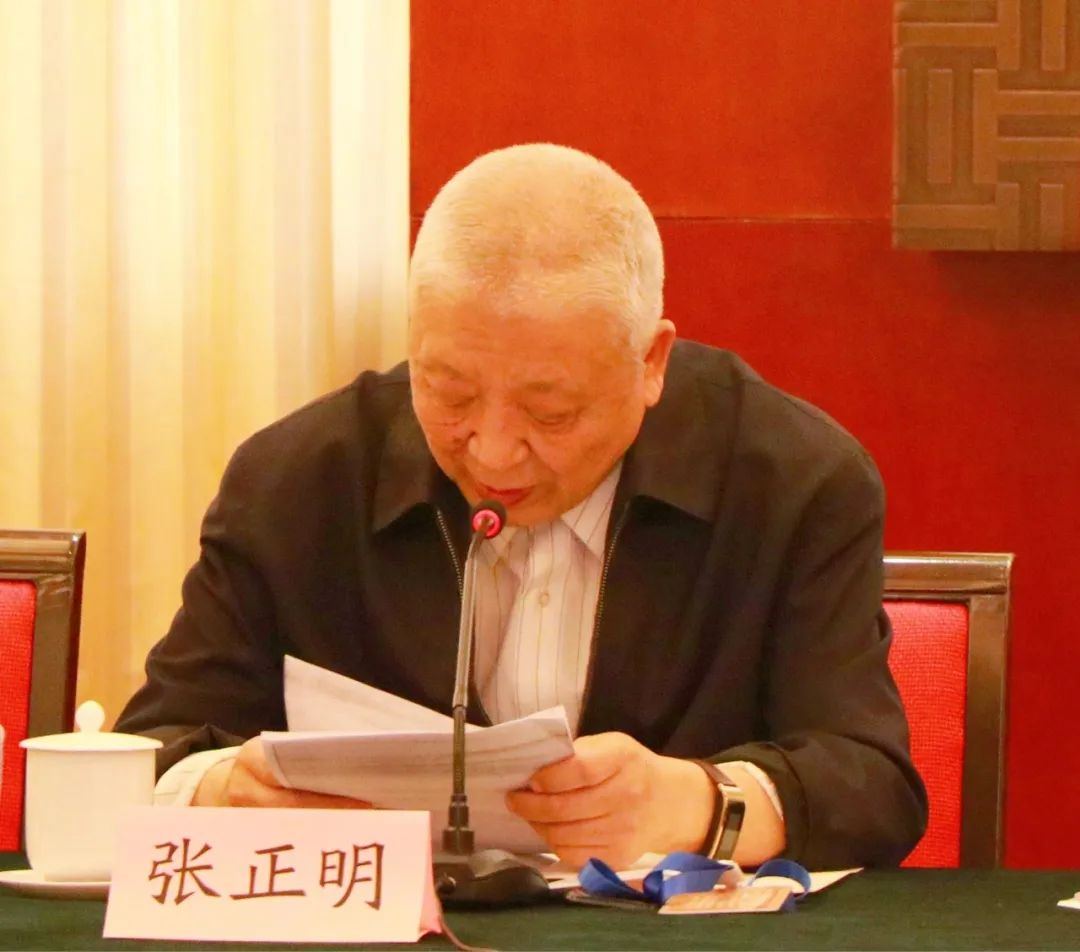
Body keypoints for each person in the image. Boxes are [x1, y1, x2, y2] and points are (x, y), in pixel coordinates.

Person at [116, 143, 927, 872]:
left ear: (651, 362)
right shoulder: (297, 485)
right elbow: (149, 750)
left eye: (551, 413)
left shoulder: (792, 483)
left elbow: (872, 784)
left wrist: (708, 805)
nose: (494, 453)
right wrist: (222, 791)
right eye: (450, 392)